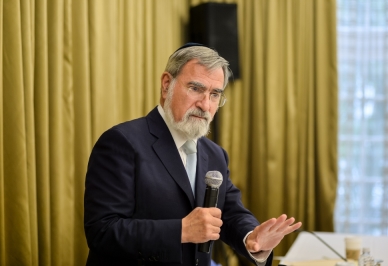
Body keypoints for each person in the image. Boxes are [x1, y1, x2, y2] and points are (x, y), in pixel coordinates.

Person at [84, 43, 302, 266]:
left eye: (215, 94)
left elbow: (229, 213)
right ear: (167, 85)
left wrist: (251, 237)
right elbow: (102, 231)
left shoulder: (215, 154)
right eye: (195, 89)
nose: (205, 105)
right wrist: (181, 230)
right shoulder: (121, 142)